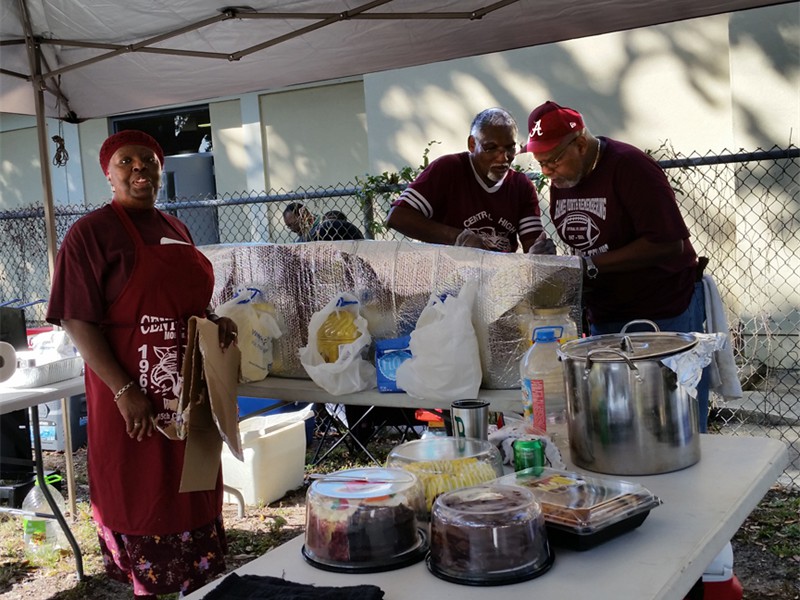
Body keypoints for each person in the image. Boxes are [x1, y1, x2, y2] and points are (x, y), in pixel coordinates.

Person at [46, 130, 238, 598]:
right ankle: (148, 586)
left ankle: (196, 586)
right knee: (143, 491)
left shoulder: (176, 228)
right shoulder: (91, 233)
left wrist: (215, 324)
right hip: (132, 395)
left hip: (186, 390)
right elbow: (75, 318)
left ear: (159, 169)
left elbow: (189, 303)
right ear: (109, 174)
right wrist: (124, 390)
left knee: (191, 484)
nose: (139, 169)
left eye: (148, 161)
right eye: (126, 162)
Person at [524, 100, 710, 431]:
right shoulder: (562, 180)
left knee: (672, 421)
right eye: (540, 163)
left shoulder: (630, 166)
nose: (547, 171)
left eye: (552, 160)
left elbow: (670, 243)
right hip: (606, 317)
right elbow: (585, 244)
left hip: (662, 311)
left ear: (580, 144)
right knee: (618, 423)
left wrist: (590, 265)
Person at [386, 107, 553, 254]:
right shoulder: (449, 169)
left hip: (499, 280)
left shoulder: (520, 185)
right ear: (472, 144)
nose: (503, 158)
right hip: (449, 280)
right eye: (491, 148)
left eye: (510, 148)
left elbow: (532, 243)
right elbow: (397, 217)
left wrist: (538, 253)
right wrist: (458, 237)